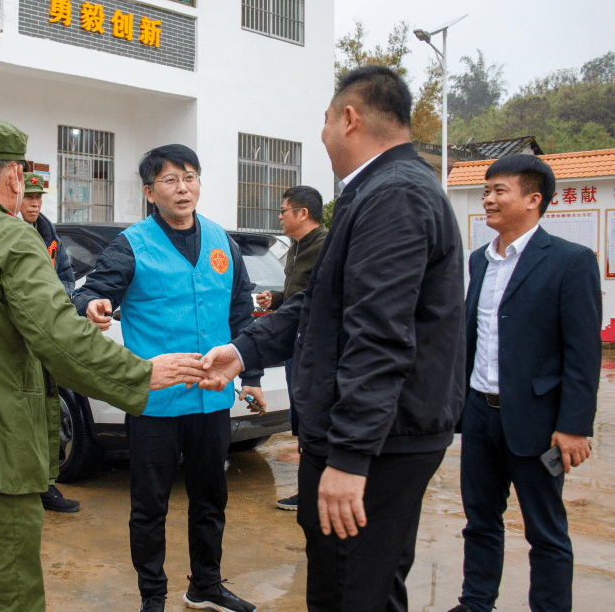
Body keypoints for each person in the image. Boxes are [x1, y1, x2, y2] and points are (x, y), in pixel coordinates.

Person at [0, 120, 206, 612]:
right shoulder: (10, 238)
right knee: (2, 599)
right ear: (12, 176)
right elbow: (58, 339)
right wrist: (143, 375)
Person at [199, 65, 466, 612]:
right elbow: (318, 305)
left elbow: (378, 337)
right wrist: (245, 348)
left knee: (348, 592)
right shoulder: (375, 192)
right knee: (365, 586)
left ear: (349, 118)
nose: (321, 137)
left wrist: (348, 459)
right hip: (379, 436)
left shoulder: (394, 197)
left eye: (323, 123)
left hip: (381, 443)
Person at [72, 144, 262, 612]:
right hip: (155, 401)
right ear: (149, 192)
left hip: (211, 397)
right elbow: (95, 291)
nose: (183, 188)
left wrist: (251, 374)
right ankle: (152, 596)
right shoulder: (131, 244)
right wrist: (93, 305)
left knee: (210, 500)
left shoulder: (222, 242)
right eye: (171, 180)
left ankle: (206, 585)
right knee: (149, 506)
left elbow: (242, 313)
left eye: (191, 177)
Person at [448, 155, 601, 612]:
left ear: (533, 200)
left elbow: (582, 352)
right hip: (479, 413)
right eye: (487, 190)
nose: (489, 199)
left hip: (537, 421)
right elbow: (473, 336)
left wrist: (574, 425)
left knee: (545, 530)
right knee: (479, 521)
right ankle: (476, 603)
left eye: (500, 191)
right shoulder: (481, 260)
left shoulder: (570, 262)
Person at [255, 185, 328, 511]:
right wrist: (277, 299)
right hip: (294, 345)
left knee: (315, 421)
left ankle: (316, 493)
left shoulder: (325, 247)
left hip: (317, 349)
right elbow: (298, 293)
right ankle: (309, 490)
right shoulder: (296, 248)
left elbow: (318, 299)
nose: (280, 217)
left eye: (284, 211)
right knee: (302, 421)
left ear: (302, 213)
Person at [20, 169, 80, 513]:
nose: (34, 204)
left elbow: (67, 275)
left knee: (48, 412)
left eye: (39, 198)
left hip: (45, 339)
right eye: (29, 197)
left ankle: (46, 485)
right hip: (18, 343)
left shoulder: (48, 234)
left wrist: (62, 298)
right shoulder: (7, 234)